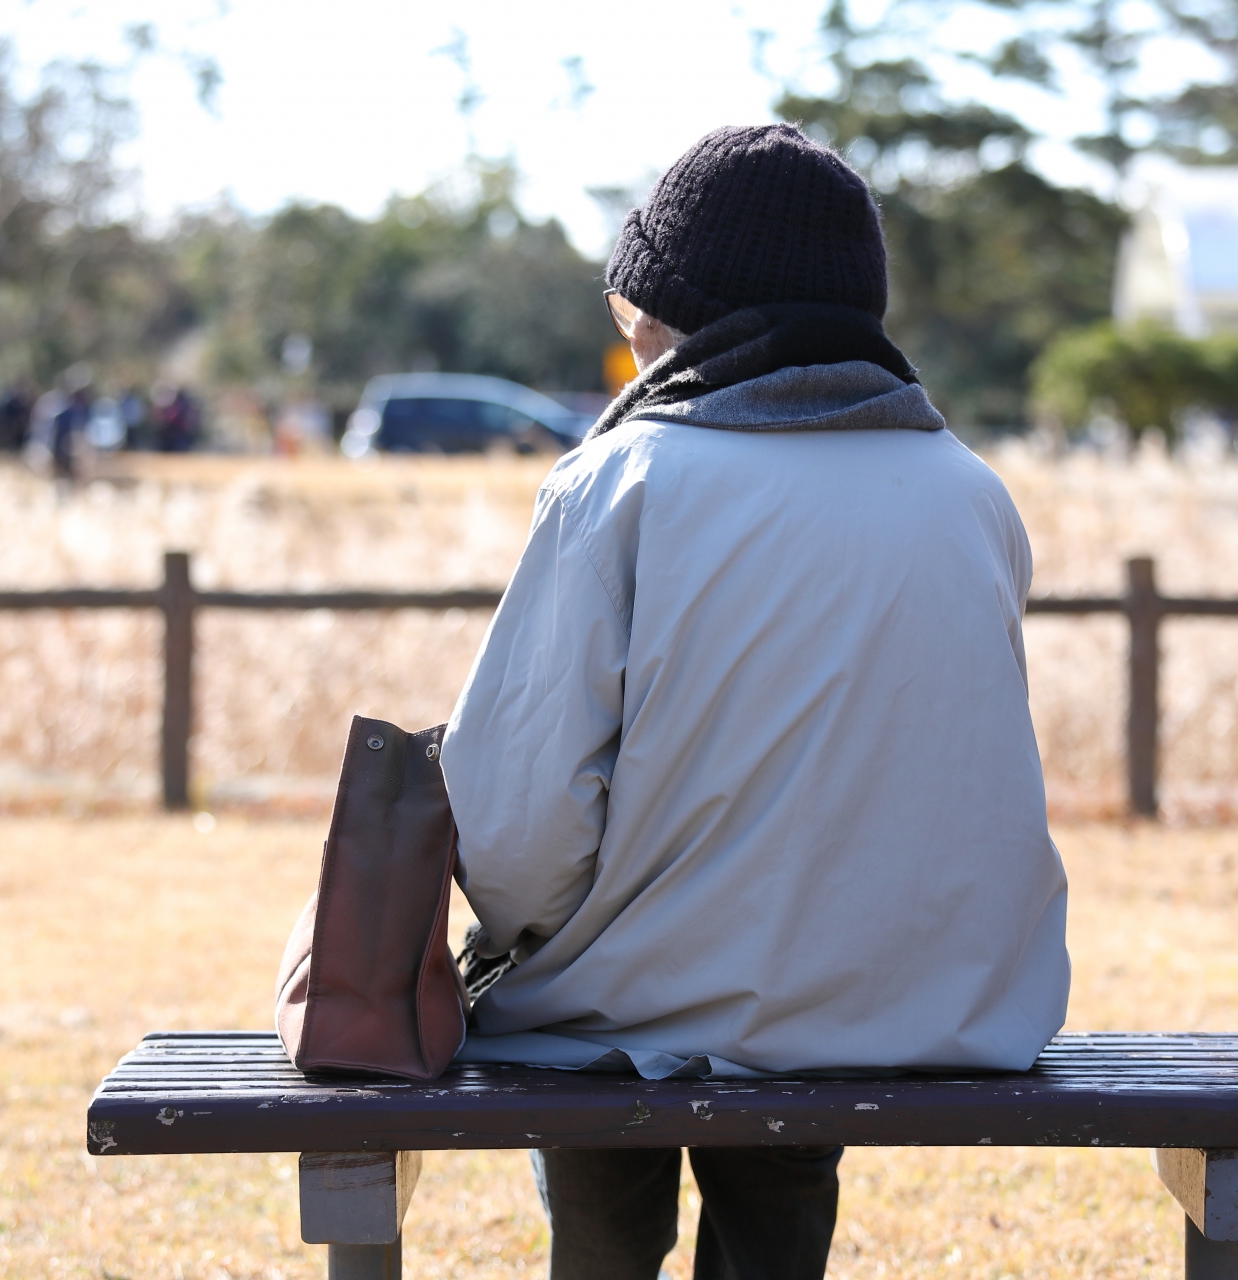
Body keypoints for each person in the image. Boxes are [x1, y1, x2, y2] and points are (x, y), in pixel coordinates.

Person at [439, 124, 1070, 1280]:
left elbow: (517, 827)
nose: (626, 351)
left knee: (599, 1040)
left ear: (685, 316)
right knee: (782, 1075)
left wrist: (509, 936)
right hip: (920, 995)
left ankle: (604, 1253)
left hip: (633, 1004)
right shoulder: (972, 495)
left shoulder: (619, 483)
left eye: (636, 326)